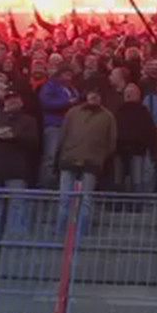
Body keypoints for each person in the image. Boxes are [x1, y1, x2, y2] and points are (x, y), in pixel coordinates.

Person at [56, 90, 118, 235]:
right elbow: (63, 135)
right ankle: (61, 233)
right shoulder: (72, 113)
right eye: (91, 94)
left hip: (92, 162)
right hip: (69, 159)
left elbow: (111, 142)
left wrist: (100, 156)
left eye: (97, 94)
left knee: (86, 199)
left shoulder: (108, 116)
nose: (94, 97)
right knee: (65, 198)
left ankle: (81, 234)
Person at [0, 89, 39, 237]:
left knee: (17, 205)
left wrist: (14, 136)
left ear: (21, 102)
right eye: (8, 99)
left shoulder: (29, 120)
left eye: (15, 99)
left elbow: (34, 142)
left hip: (17, 169)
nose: (11, 101)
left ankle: (16, 238)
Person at [112, 82, 157, 196]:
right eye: (127, 92)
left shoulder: (143, 111)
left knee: (137, 180)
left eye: (132, 92)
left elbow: (150, 131)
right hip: (119, 149)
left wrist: (153, 149)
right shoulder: (118, 110)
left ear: (138, 95)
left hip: (137, 149)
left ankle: (137, 202)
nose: (129, 94)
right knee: (118, 179)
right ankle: (118, 202)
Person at [38, 68, 79, 188]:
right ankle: (46, 184)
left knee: (64, 157)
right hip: (54, 125)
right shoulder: (50, 86)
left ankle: (60, 184)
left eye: (70, 75)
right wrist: (67, 102)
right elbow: (46, 102)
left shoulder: (72, 89)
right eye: (66, 74)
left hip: (69, 126)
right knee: (51, 156)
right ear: (59, 75)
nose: (69, 78)